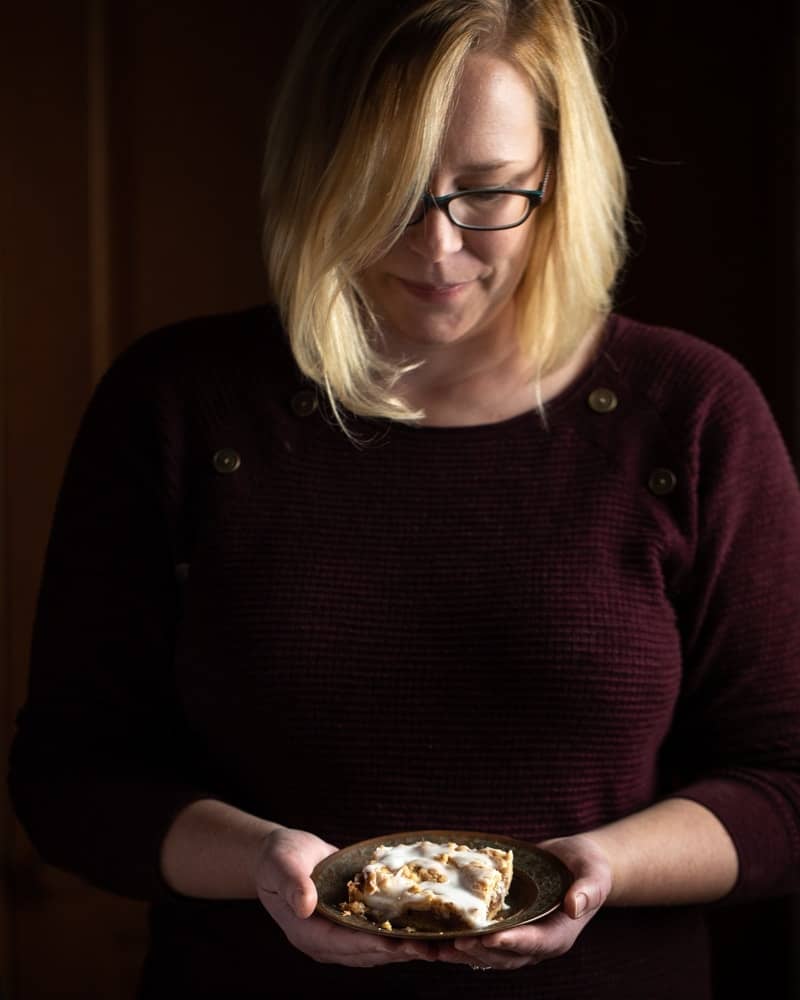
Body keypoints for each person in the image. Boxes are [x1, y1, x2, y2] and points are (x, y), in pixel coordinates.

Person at [8, 0, 800, 997]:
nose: (435, 249)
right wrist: (263, 867)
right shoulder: (178, 404)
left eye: (486, 191)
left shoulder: (688, 413)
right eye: (384, 190)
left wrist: (595, 874)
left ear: (557, 176)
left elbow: (782, 781)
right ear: (316, 175)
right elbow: (74, 777)